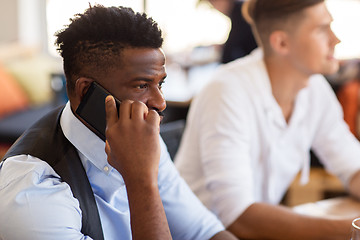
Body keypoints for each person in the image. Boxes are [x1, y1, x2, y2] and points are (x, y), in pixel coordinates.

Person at [0, 5, 237, 240]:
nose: (161, 102)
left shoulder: (140, 136)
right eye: (141, 86)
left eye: (160, 84)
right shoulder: (34, 195)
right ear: (86, 91)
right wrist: (141, 180)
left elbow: (202, 231)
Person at [175, 0, 360, 239]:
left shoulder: (314, 88)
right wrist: (353, 229)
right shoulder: (227, 91)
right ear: (282, 43)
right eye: (322, 29)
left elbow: (353, 166)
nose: (336, 39)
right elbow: (237, 218)